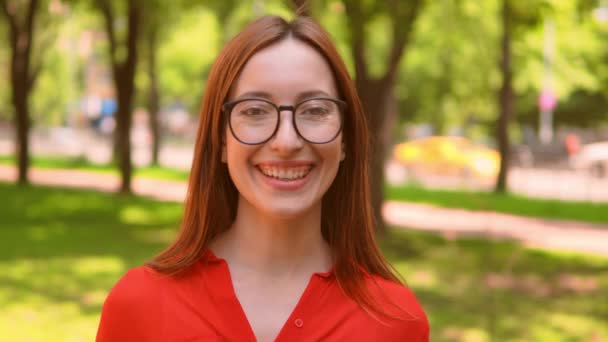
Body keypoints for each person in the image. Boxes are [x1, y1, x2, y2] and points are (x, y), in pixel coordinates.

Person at [96, 15, 429, 342]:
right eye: (255, 110)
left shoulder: (396, 321)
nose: (286, 142)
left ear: (345, 140)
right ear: (222, 139)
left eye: (314, 110)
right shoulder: (139, 306)